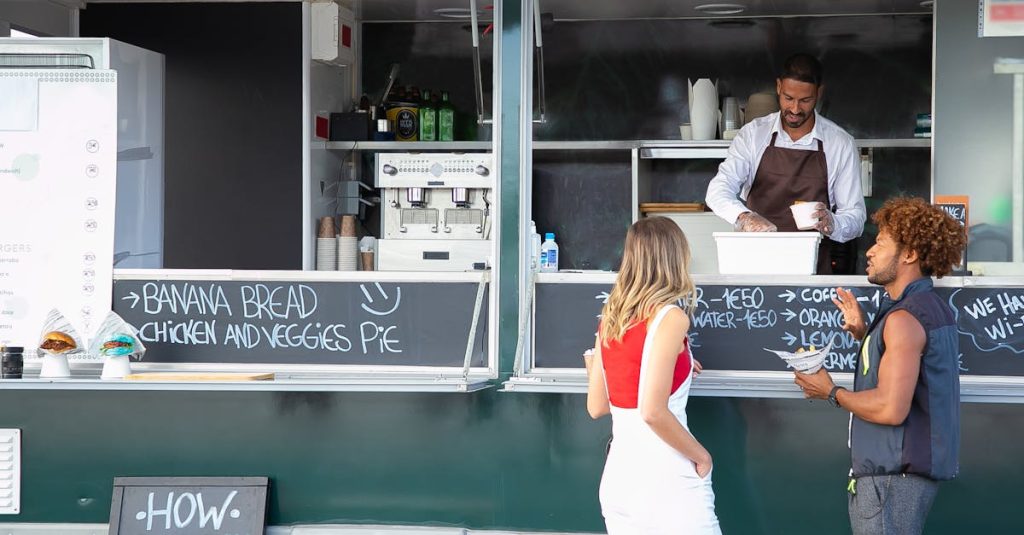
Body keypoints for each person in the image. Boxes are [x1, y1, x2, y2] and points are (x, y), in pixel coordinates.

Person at [794, 197, 967, 535]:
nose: (869, 251)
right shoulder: (924, 308)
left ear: (909, 254)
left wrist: (829, 391)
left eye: (880, 242)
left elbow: (890, 408)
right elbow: (906, 370)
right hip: (896, 478)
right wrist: (866, 334)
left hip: (890, 480)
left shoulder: (904, 318)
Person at [584, 217, 721, 535]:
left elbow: (597, 406)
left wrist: (681, 364)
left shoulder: (611, 319)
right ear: (676, 257)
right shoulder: (671, 317)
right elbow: (652, 411)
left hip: (619, 479)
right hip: (667, 478)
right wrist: (702, 456)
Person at [705, 53, 866, 273]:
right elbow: (717, 190)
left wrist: (832, 222)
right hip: (753, 265)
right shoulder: (753, 135)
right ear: (779, 87)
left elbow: (855, 218)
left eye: (805, 100)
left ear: (819, 93)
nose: (795, 109)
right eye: (789, 98)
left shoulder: (840, 143)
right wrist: (744, 217)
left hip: (812, 269)